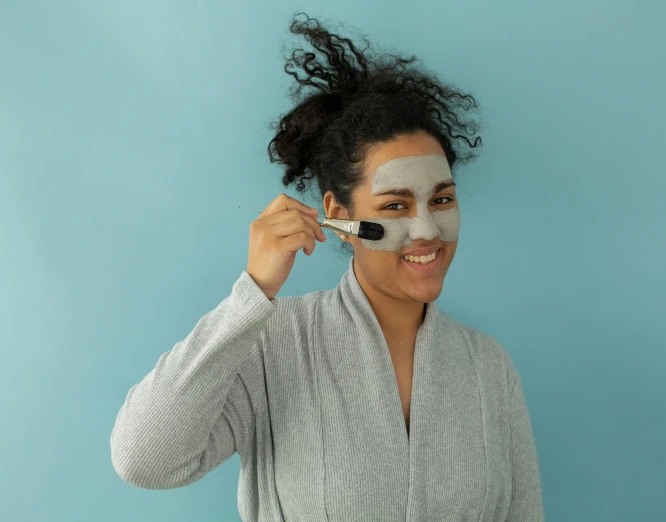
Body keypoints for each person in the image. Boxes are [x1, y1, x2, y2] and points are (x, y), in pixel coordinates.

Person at [110, 13, 544, 522]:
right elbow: (145, 461)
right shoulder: (273, 344)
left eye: (442, 199)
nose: (426, 229)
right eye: (395, 206)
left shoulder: (488, 367)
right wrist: (252, 293)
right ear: (339, 215)